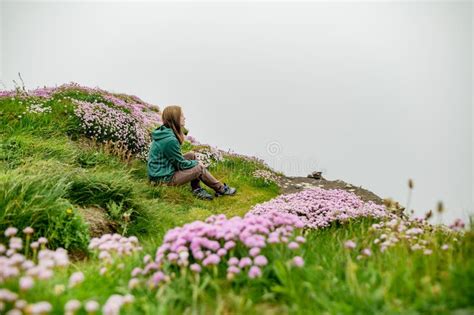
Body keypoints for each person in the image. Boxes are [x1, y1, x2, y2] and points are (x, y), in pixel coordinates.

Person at [147, 105, 237, 200]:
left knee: (191, 155)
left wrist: (194, 162)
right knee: (199, 168)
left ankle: (196, 189)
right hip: (162, 179)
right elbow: (180, 164)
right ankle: (221, 189)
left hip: (162, 171)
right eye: (182, 116)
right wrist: (197, 163)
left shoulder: (165, 131)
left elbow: (176, 161)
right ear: (175, 118)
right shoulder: (170, 140)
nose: (184, 118)